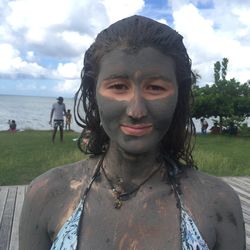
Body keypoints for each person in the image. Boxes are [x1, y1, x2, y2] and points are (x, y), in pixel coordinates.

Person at [19, 16, 245, 249]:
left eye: (155, 88)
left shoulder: (218, 204)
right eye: (118, 87)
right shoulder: (47, 195)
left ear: (179, 95)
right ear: (93, 92)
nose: (136, 110)